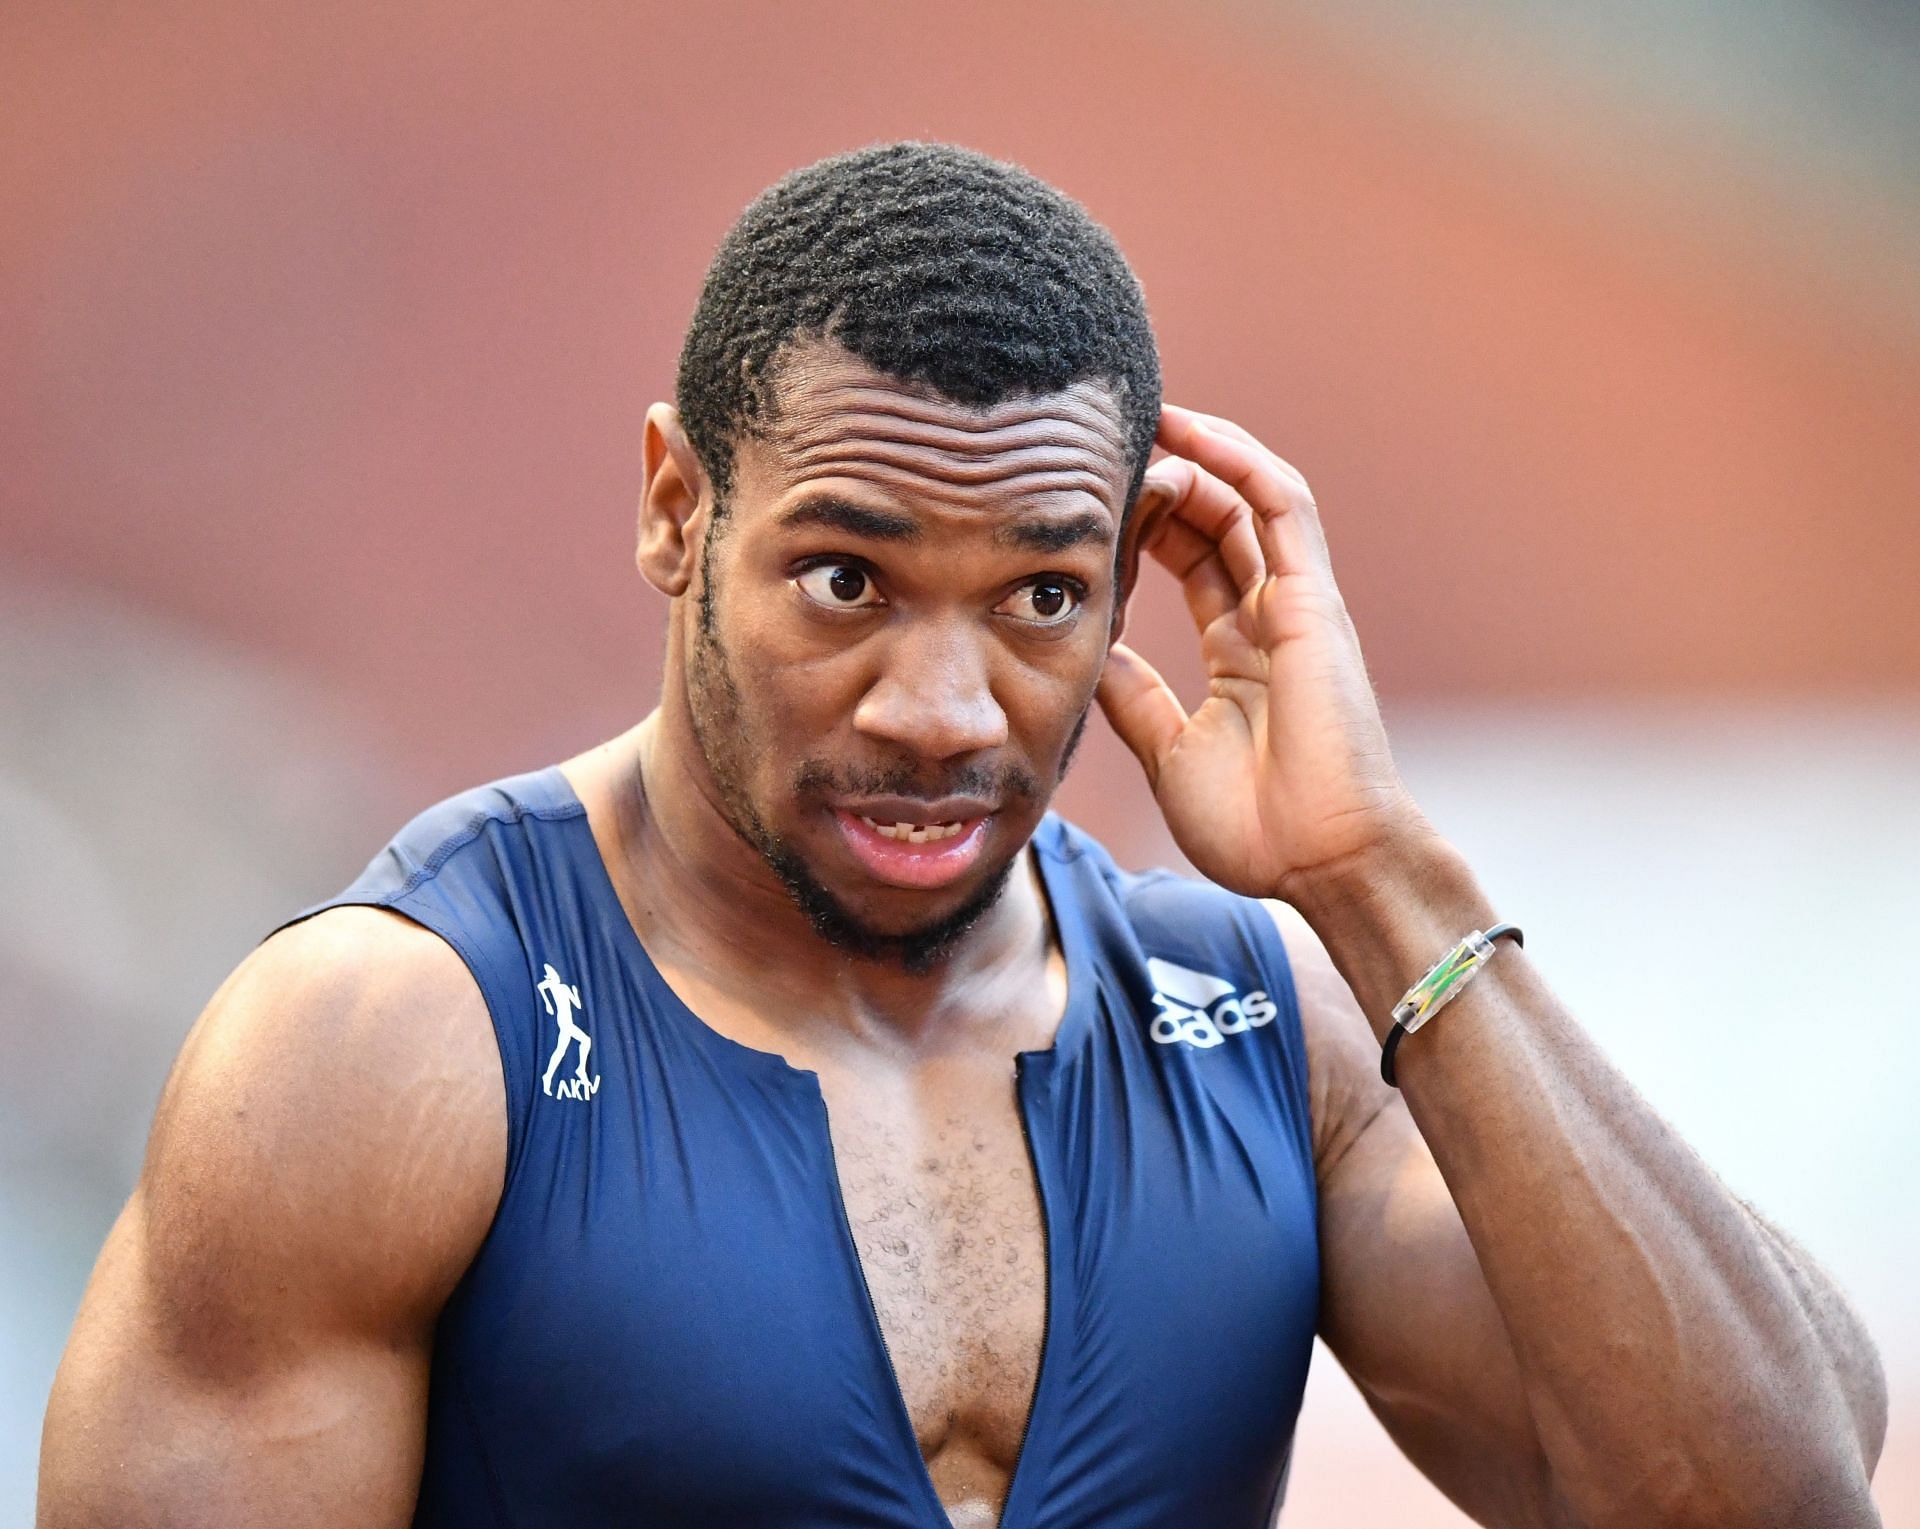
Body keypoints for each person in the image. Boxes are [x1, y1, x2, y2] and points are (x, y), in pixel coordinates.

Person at [39, 143, 1885, 1529]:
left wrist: (1379, 878)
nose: (944, 706)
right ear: (679, 510)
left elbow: (1776, 1494)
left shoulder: (1252, 1032)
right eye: (846, 576)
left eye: (1038, 596)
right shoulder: (394, 1045)